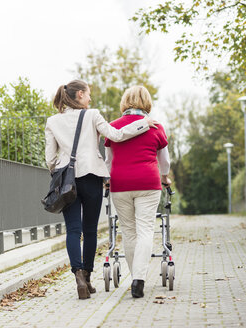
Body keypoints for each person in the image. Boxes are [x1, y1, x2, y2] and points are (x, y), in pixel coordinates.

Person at [44, 80, 159, 300]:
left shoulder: (52, 121)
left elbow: (50, 158)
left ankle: (77, 274)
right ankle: (87, 277)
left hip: (66, 181)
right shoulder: (92, 115)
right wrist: (144, 123)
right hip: (91, 177)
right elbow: (115, 135)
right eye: (88, 95)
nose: (90, 99)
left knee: (73, 231)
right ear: (79, 95)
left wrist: (58, 170)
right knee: (89, 230)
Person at [104, 85, 172, 298]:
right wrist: (165, 177)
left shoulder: (113, 127)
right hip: (148, 184)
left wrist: (108, 181)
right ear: (147, 103)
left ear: (124, 102)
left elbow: (108, 161)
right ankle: (138, 280)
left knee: (129, 231)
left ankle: (135, 277)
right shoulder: (155, 127)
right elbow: (165, 161)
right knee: (145, 230)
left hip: (120, 184)